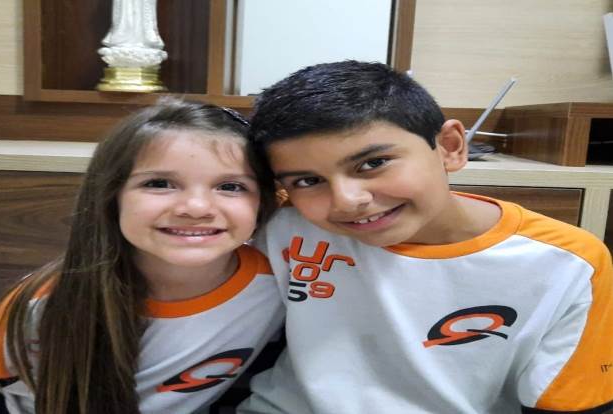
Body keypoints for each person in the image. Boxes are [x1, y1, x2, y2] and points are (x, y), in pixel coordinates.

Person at [238, 60, 613, 413]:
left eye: (373, 163)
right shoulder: (285, 226)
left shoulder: (567, 264)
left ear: (450, 147)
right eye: (308, 181)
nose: (347, 201)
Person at [0, 99, 284, 414]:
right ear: (111, 196)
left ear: (264, 201)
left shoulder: (281, 283)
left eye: (231, 186)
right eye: (159, 183)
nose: (196, 208)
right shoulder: (40, 304)